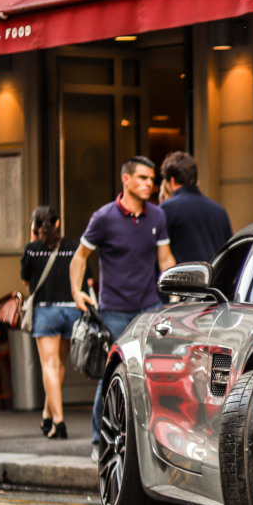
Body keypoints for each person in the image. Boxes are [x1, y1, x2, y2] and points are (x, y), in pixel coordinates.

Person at [70, 156, 176, 457]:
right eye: (142, 178)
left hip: (150, 307)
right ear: (126, 180)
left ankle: (144, 442)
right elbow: (80, 257)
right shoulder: (103, 218)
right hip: (114, 311)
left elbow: (165, 259)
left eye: (152, 179)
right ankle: (98, 439)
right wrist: (76, 292)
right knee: (113, 375)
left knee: (151, 376)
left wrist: (177, 292)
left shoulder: (157, 216)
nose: (149, 184)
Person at [20, 206, 80, 440]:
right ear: (57, 224)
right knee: (59, 365)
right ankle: (47, 413)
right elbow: (86, 277)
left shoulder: (32, 250)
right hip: (70, 311)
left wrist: (32, 239)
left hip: (45, 312)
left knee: (49, 366)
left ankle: (59, 421)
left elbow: (26, 280)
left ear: (35, 226)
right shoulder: (73, 247)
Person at [159, 151, 233, 265]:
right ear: (194, 179)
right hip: (216, 279)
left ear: (172, 181)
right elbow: (230, 252)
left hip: (184, 279)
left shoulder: (167, 209)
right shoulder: (219, 211)